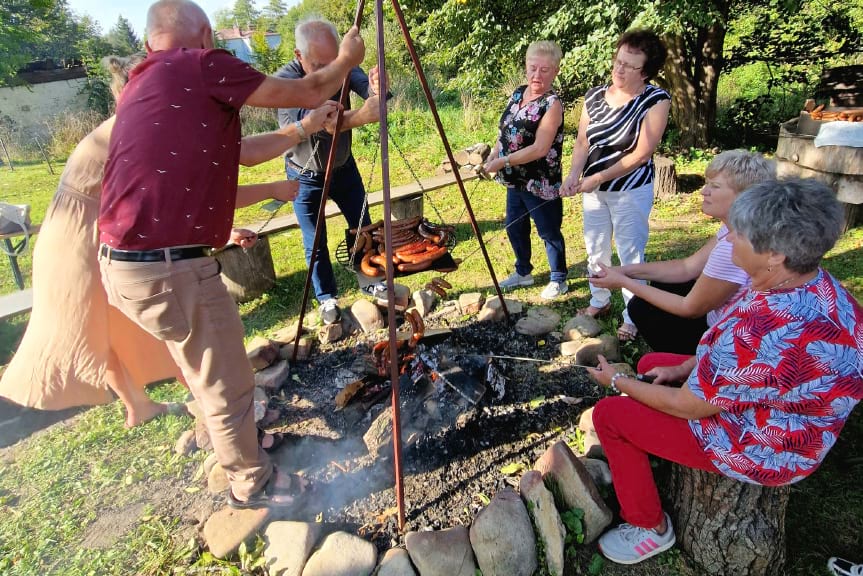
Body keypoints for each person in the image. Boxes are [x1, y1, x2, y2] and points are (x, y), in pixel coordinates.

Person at [98, 0, 364, 508]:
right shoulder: (201, 64)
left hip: (125, 267)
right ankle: (254, 483)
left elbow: (234, 154)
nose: (216, 45)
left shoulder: (143, 83)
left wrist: (303, 130)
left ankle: (236, 441)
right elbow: (311, 88)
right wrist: (346, 60)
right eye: (213, 37)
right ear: (201, 36)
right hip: (170, 268)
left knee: (200, 368)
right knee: (227, 383)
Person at [0, 53, 337, 429]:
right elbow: (222, 174)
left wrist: (225, 229)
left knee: (132, 321)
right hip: (78, 239)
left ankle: (159, 404)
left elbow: (172, 202)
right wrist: (278, 177)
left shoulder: (145, 125)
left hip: (109, 234)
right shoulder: (141, 130)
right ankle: (205, 405)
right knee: (96, 325)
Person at [585, 178, 863, 565]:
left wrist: (617, 381)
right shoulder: (816, 285)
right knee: (652, 365)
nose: (728, 240)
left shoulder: (761, 330)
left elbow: (689, 406)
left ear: (775, 255)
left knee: (610, 414)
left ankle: (650, 528)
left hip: (772, 446)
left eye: (739, 234)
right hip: (787, 412)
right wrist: (684, 365)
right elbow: (742, 364)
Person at [588, 150, 774, 352]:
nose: (704, 191)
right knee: (664, 283)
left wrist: (624, 282)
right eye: (707, 183)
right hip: (728, 322)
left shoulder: (734, 247)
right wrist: (624, 271)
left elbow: (690, 308)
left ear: (744, 197)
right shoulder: (737, 228)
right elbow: (687, 267)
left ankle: (686, 363)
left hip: (725, 337)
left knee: (639, 308)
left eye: (715, 186)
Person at [560, 29, 670, 338]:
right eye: (618, 61)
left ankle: (634, 315)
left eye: (629, 65)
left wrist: (597, 178)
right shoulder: (595, 96)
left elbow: (641, 153)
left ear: (646, 71)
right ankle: (600, 300)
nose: (619, 70)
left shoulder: (655, 100)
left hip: (630, 190)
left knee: (630, 253)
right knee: (595, 246)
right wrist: (573, 175)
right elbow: (583, 141)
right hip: (594, 191)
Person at [275, 17, 385, 324]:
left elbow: (368, 90)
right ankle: (326, 298)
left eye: (334, 61)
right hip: (305, 175)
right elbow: (320, 124)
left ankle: (370, 279)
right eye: (318, 64)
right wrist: (361, 117)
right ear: (299, 56)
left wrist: (377, 89)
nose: (328, 72)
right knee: (315, 240)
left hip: (343, 167)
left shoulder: (342, 66)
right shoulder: (283, 84)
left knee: (363, 227)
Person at [483, 40, 567, 300]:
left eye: (544, 70)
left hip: (539, 180)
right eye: (532, 68)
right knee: (513, 226)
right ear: (525, 67)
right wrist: (495, 154)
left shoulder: (552, 104)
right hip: (514, 178)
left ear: (555, 71)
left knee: (548, 229)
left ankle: (559, 278)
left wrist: (503, 162)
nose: (537, 75)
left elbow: (540, 148)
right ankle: (523, 272)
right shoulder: (518, 93)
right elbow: (505, 129)